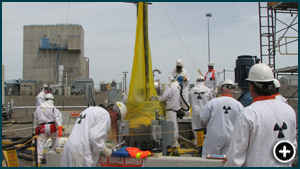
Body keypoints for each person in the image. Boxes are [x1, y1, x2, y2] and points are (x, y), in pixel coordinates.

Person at [224, 63, 297, 167]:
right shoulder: (289, 110)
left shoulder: (249, 114)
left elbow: (235, 157)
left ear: (252, 87)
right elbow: (293, 145)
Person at [200, 79, 244, 157]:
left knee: (209, 160)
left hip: (214, 135)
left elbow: (203, 118)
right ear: (233, 90)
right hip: (231, 136)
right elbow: (242, 123)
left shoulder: (213, 102)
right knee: (227, 160)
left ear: (222, 89)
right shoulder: (238, 105)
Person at [156, 75, 185, 148]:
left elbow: (163, 98)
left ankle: (173, 143)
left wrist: (158, 98)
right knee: (175, 127)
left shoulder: (171, 88)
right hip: (175, 111)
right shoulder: (178, 89)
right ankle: (175, 142)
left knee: (171, 127)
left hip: (170, 111)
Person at [34, 93, 63, 164]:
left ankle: (38, 159)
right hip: (52, 127)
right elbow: (57, 118)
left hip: (42, 128)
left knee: (40, 143)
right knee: (55, 142)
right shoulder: (53, 108)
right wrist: (59, 128)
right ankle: (54, 156)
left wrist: (35, 129)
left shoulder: (38, 108)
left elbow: (36, 119)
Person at [188, 75, 213, 145]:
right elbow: (211, 101)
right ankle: (205, 143)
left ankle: (197, 143)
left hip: (195, 111)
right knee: (205, 128)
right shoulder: (207, 90)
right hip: (205, 111)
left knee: (196, 127)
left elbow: (189, 100)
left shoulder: (192, 90)